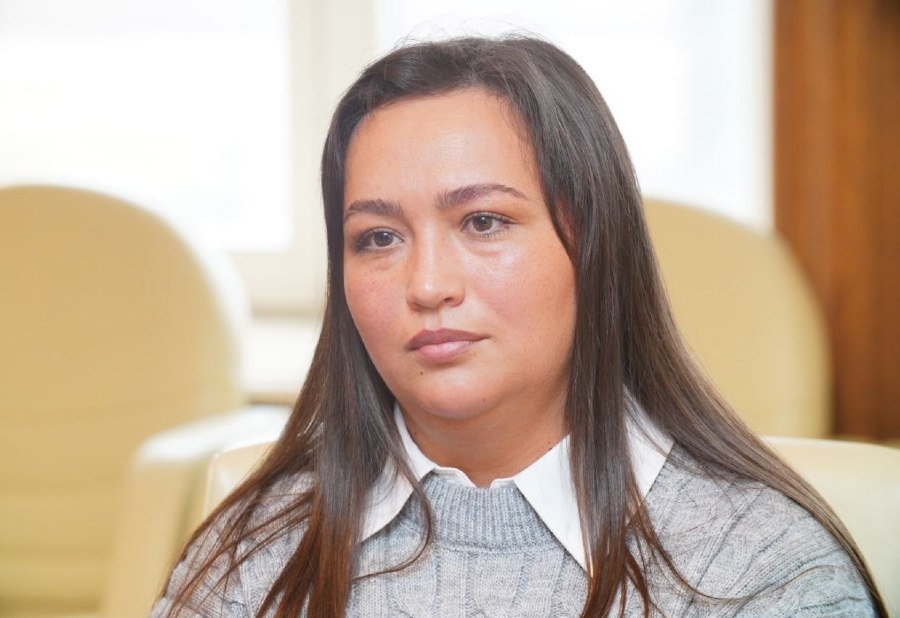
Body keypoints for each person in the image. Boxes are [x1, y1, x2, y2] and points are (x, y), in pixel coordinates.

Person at [152, 35, 885, 617]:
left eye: (484, 222)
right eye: (378, 237)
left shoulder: (764, 572)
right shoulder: (253, 553)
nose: (428, 285)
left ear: (595, 247)